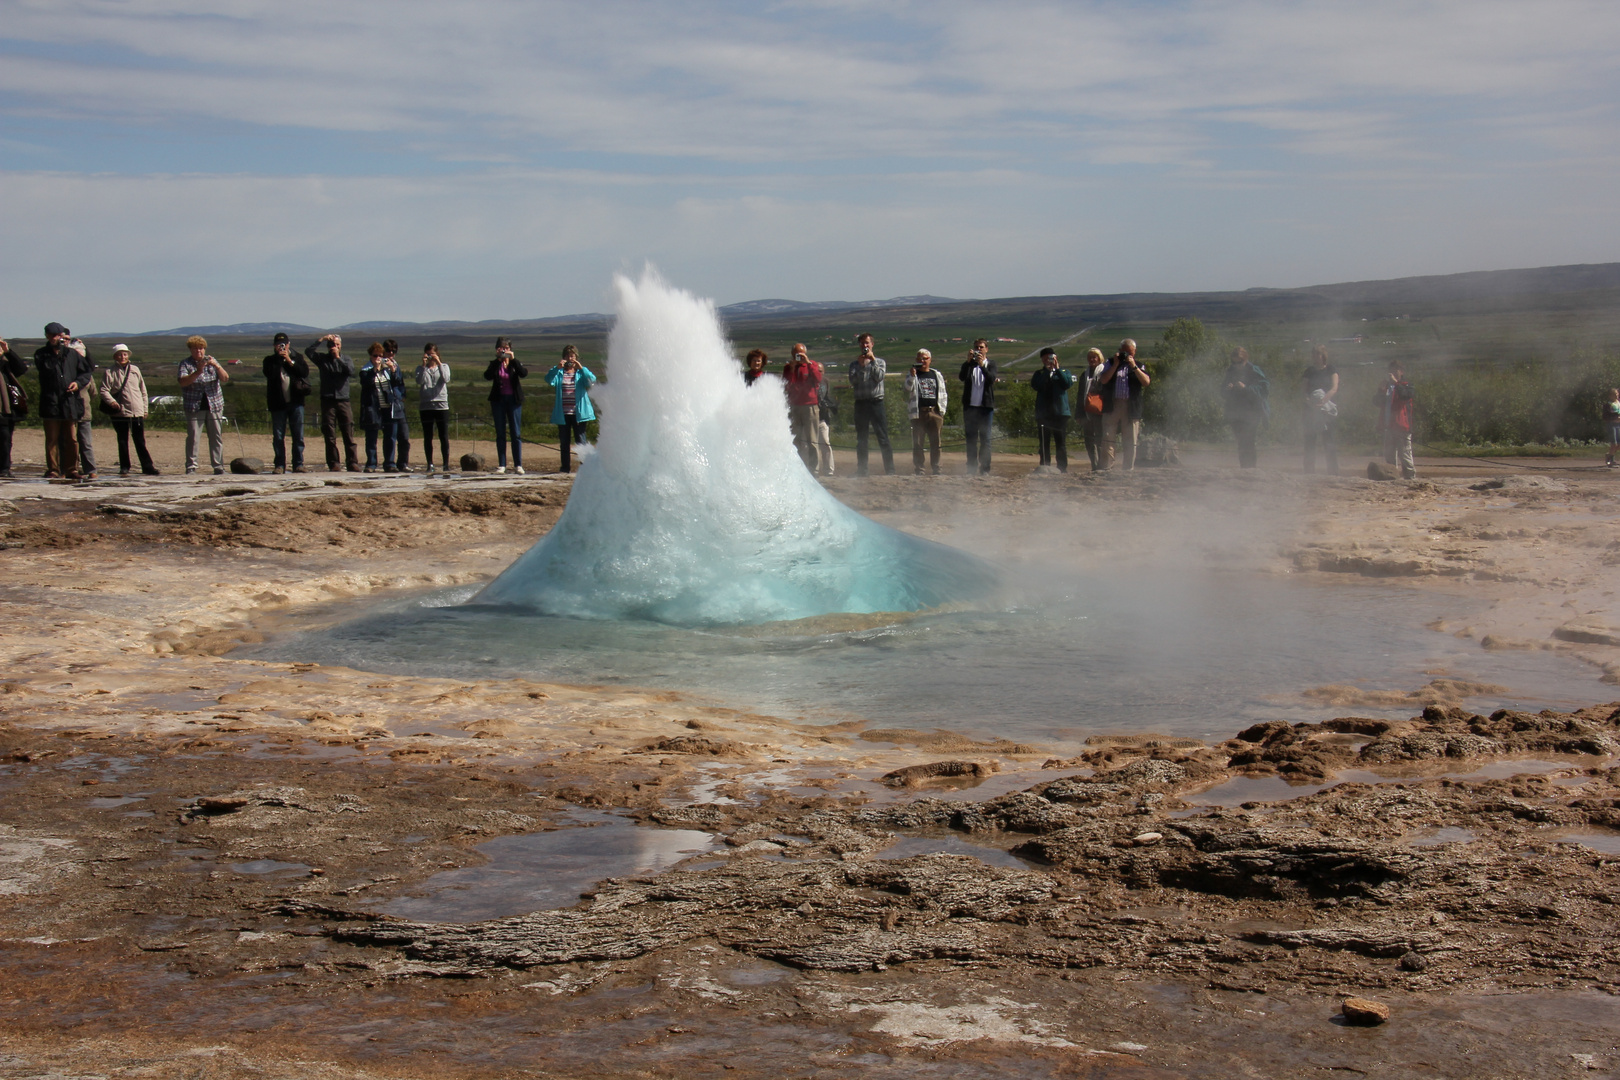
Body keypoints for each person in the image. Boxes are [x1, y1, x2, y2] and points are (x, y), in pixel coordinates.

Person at [32, 322, 93, 480]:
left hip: (69, 401)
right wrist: (56, 353)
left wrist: (78, 383)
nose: (55, 338)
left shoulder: (72, 355)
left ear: (62, 335)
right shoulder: (41, 354)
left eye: (58, 335)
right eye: (52, 336)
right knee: (52, 438)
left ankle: (72, 469)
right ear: (47, 336)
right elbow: (46, 369)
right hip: (50, 401)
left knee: (71, 438)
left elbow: (86, 372)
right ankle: (53, 469)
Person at [98, 344, 158, 476]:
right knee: (122, 439)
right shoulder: (110, 372)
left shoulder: (135, 370)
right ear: (115, 357)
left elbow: (143, 390)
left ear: (128, 355)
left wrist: (145, 409)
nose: (122, 357)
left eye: (125, 354)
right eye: (120, 354)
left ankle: (147, 467)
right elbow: (103, 390)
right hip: (119, 411)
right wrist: (112, 402)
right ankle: (125, 467)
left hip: (136, 410)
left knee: (140, 440)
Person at [306, 334, 359, 472]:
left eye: (336, 345)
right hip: (328, 400)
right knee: (330, 434)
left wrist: (338, 358)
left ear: (340, 345)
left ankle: (352, 462)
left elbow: (351, 371)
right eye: (330, 345)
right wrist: (321, 339)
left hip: (343, 400)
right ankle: (334, 463)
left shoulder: (346, 359)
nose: (333, 347)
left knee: (348, 433)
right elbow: (309, 352)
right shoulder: (323, 359)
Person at [177, 334, 229, 474]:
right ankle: (191, 466)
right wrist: (198, 371)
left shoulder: (212, 362)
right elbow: (183, 382)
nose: (198, 352)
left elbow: (225, 378)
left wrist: (216, 366)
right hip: (194, 405)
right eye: (195, 349)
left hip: (214, 405)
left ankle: (218, 466)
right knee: (193, 436)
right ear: (190, 350)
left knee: (216, 436)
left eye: (200, 349)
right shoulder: (185, 364)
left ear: (205, 349)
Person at [1097, 339, 1150, 470]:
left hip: (1131, 406)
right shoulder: (1110, 363)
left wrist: (1133, 366)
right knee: (1108, 438)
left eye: (1130, 353)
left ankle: (1128, 468)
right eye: (1124, 352)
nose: (1127, 355)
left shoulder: (1138, 365)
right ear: (1119, 351)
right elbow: (1103, 380)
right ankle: (1107, 467)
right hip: (1112, 405)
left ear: (1135, 352)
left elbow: (1146, 382)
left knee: (1130, 439)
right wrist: (1116, 364)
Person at [847, 333, 894, 476]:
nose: (865, 346)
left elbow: (879, 377)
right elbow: (853, 382)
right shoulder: (854, 364)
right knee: (862, 439)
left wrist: (872, 361)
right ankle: (862, 470)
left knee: (883, 437)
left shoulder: (880, 362)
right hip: (861, 404)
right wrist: (861, 367)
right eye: (862, 343)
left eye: (867, 343)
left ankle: (890, 470)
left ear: (872, 344)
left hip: (876, 403)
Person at [263, 332, 310, 474]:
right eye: (278, 345)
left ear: (289, 345)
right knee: (278, 436)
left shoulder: (297, 357)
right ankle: (279, 465)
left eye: (283, 344)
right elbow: (269, 374)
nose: (281, 347)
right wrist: (279, 359)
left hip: (296, 403)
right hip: (278, 404)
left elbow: (303, 372)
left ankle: (298, 464)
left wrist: (289, 360)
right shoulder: (269, 361)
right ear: (274, 346)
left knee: (298, 435)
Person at [546, 345, 596, 473]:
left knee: (581, 441)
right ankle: (565, 468)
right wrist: (557, 368)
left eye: (572, 356)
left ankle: (585, 468)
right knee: (564, 442)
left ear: (576, 358)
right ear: (563, 358)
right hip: (563, 413)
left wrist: (582, 368)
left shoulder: (581, 373)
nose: (570, 359)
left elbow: (591, 380)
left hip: (579, 413)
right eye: (568, 356)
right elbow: (548, 379)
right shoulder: (559, 373)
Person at [485, 336, 528, 474]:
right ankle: (502, 464)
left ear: (511, 349)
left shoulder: (515, 364)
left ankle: (518, 464)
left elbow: (523, 373)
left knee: (515, 433)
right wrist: (498, 360)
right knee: (500, 433)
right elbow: (487, 376)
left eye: (507, 348)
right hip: (498, 400)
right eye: (502, 348)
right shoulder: (495, 363)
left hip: (514, 400)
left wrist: (513, 359)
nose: (504, 350)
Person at [1222, 347, 1270, 469]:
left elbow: (1264, 391)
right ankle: (1244, 468)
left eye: (1239, 362)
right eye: (1234, 362)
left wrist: (1246, 388)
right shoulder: (1231, 371)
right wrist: (1227, 389)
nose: (1236, 365)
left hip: (1252, 412)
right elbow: (1222, 392)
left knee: (1248, 440)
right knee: (1241, 442)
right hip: (1235, 412)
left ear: (1245, 359)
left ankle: (1251, 468)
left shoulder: (1254, 370)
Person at [1029, 347, 1074, 473]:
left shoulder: (1064, 372)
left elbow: (1066, 384)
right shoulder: (1039, 374)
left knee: (1061, 442)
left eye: (1050, 357)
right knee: (1044, 442)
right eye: (1045, 357)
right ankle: (1045, 466)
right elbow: (1036, 386)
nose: (1048, 360)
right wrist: (1047, 372)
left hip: (1060, 413)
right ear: (1042, 360)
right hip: (1043, 414)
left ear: (1055, 357)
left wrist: (1057, 369)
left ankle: (1062, 468)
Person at [904, 348, 948, 474]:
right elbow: (906, 389)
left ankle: (937, 468)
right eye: (919, 359)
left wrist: (942, 411)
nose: (922, 361)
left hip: (934, 411)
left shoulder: (936, 374)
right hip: (918, 412)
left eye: (925, 358)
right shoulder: (912, 374)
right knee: (918, 442)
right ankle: (919, 468)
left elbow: (943, 393)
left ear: (930, 360)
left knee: (936, 442)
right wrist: (912, 376)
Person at [958, 338, 999, 474]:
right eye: (976, 347)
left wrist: (982, 366)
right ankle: (971, 467)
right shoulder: (969, 365)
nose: (978, 350)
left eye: (981, 347)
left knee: (985, 439)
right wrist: (968, 362)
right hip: (970, 407)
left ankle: (985, 468)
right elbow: (962, 377)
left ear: (986, 349)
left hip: (985, 407)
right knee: (971, 439)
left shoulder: (991, 364)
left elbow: (991, 379)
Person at [783, 344, 823, 473]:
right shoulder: (788, 368)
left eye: (801, 353)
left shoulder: (812, 365)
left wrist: (809, 363)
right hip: (795, 406)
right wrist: (792, 369)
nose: (799, 356)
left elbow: (818, 379)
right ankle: (798, 468)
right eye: (796, 354)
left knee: (812, 440)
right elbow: (787, 384)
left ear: (805, 353)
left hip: (810, 405)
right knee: (796, 439)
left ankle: (814, 469)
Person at [1376, 358, 1416, 479]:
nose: (1393, 373)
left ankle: (1411, 479)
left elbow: (1405, 396)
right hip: (1388, 427)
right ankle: (1392, 479)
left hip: (1403, 427)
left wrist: (1396, 384)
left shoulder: (1407, 385)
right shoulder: (1387, 387)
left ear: (1401, 372)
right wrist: (1380, 390)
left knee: (1405, 456)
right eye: (1391, 371)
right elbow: (1376, 402)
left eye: (1396, 370)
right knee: (1389, 456)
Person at [1302, 345, 1339, 475]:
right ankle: (1309, 472)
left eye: (1317, 354)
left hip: (1327, 409)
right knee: (1310, 440)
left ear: (1323, 356)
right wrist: (1309, 402)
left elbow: (1334, 388)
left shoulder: (1330, 369)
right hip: (1311, 409)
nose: (1314, 357)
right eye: (1313, 354)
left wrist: (1324, 401)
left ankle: (1333, 472)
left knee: (1329, 441)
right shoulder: (1309, 371)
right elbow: (1304, 390)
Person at [416, 343, 451, 473]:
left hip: (441, 405)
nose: (430, 357)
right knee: (428, 436)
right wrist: (424, 366)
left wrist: (439, 363)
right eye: (428, 354)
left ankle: (446, 463)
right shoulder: (420, 368)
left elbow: (446, 378)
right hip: (426, 406)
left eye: (432, 354)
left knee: (443, 435)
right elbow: (419, 381)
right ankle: (429, 463)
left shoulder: (445, 366)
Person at [0, 336, 31, 479]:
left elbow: (21, 369)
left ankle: (4, 468)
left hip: (5, 408)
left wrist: (8, 352)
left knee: (5, 439)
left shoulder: (6, 362)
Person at [380, 339, 410, 472]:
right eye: (388, 351)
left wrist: (403, 395)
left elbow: (400, 382)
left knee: (404, 436)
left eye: (393, 351)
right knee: (390, 436)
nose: (391, 353)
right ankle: (389, 463)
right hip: (388, 404)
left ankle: (402, 463)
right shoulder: (381, 365)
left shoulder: (396, 364)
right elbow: (390, 382)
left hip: (398, 402)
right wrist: (391, 371)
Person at [357, 342, 386, 472]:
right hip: (372, 406)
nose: (378, 358)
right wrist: (374, 369)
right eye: (375, 356)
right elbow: (366, 383)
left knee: (390, 436)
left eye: (380, 356)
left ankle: (390, 463)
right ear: (370, 356)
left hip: (386, 406)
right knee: (371, 437)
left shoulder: (386, 369)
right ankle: (371, 463)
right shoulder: (365, 371)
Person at [1078, 347, 1107, 472]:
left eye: (1094, 357)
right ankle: (1094, 465)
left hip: (1099, 411)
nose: (1092, 359)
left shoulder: (1105, 372)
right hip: (1086, 411)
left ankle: (1102, 465)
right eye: (1090, 357)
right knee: (1089, 440)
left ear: (1099, 358)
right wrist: (1078, 414)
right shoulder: (1084, 374)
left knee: (1100, 439)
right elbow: (1080, 395)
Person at [815, 352, 836, 476]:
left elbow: (827, 397)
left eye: (821, 371)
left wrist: (832, 406)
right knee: (812, 445)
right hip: (811, 418)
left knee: (825, 443)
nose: (819, 373)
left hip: (823, 418)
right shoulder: (809, 382)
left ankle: (829, 470)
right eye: (817, 371)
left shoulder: (825, 382)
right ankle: (815, 470)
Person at [1605, 389, 1620, 469]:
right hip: (1612, 425)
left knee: (1619, 444)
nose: (1616, 396)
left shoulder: (1618, 403)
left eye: (1617, 394)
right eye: (1614, 394)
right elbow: (1605, 416)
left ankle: (1610, 455)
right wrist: (1614, 418)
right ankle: (1610, 460)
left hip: (1619, 425)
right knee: (1613, 443)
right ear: (1610, 395)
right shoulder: (1608, 404)